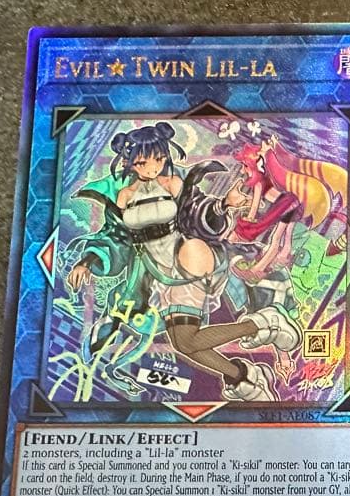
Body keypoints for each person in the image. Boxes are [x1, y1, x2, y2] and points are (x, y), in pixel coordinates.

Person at [66, 122, 301, 402]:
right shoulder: (123, 195)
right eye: (142, 163)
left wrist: (224, 204)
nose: (152, 168)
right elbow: (115, 236)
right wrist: (88, 260)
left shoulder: (175, 183)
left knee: (186, 340)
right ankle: (246, 372)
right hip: (154, 275)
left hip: (187, 258)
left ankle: (262, 332)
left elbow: (198, 211)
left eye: (158, 159)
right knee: (184, 343)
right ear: (130, 163)